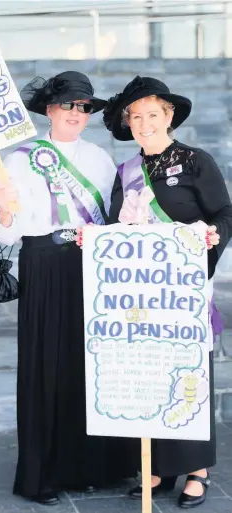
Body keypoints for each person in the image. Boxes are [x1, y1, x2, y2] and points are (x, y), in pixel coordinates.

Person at [0, 71, 140, 506]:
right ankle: (43, 475)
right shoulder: (18, 159)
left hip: (93, 263)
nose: (77, 112)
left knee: (90, 364)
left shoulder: (99, 159)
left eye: (85, 106)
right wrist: (2, 204)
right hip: (45, 263)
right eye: (69, 104)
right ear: (50, 109)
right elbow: (9, 229)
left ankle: (91, 466)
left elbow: (116, 216)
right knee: (46, 365)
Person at [99, 76, 232, 509]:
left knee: (189, 373)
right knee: (153, 371)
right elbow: (114, 230)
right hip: (142, 294)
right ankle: (157, 465)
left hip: (185, 287)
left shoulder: (196, 161)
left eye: (151, 115)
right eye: (135, 117)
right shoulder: (127, 171)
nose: (143, 123)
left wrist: (211, 239)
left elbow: (223, 212)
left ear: (168, 116)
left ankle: (196, 469)